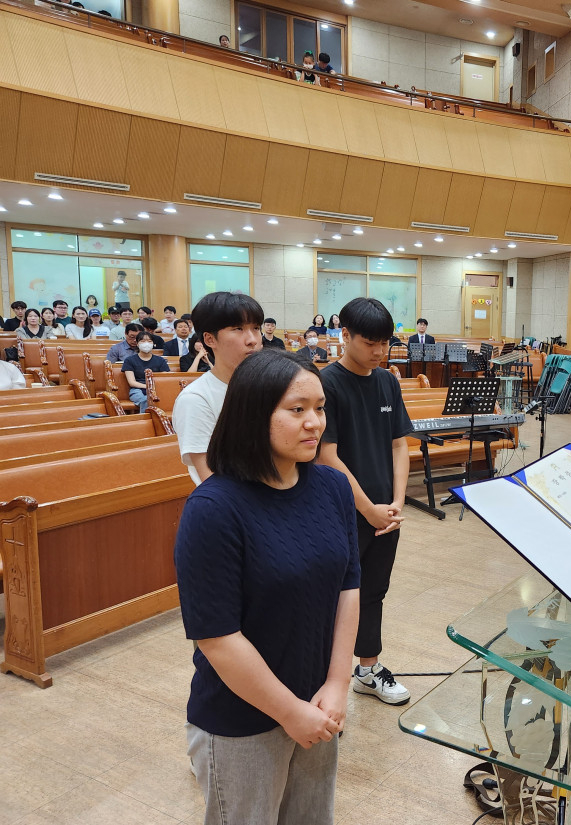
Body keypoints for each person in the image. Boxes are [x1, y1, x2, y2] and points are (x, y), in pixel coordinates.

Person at [174, 350, 359, 825]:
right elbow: (217, 636)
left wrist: (337, 684)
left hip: (318, 704)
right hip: (242, 719)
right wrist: (290, 712)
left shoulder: (333, 488)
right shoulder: (213, 508)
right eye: (297, 410)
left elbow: (348, 586)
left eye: (319, 408)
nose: (314, 422)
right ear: (254, 414)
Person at [318, 297, 412, 705]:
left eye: (385, 343)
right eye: (370, 342)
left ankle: (368, 670)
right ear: (345, 335)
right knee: (334, 596)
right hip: (341, 512)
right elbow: (327, 455)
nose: (379, 351)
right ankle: (323, 681)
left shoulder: (387, 382)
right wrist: (367, 508)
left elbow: (399, 445)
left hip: (385, 513)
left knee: (374, 591)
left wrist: (396, 501)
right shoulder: (326, 383)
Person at [173, 292, 263, 485]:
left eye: (256, 328)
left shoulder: (268, 387)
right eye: (238, 329)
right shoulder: (196, 399)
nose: (252, 340)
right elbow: (212, 481)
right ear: (209, 339)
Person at [122, 331, 171, 413]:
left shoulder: (160, 360)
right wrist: (148, 387)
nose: (146, 344)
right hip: (137, 390)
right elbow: (132, 382)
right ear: (137, 343)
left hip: (156, 389)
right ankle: (146, 420)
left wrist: (154, 388)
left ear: (153, 344)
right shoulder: (129, 360)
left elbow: (165, 378)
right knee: (146, 400)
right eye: (143, 341)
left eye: (149, 341)